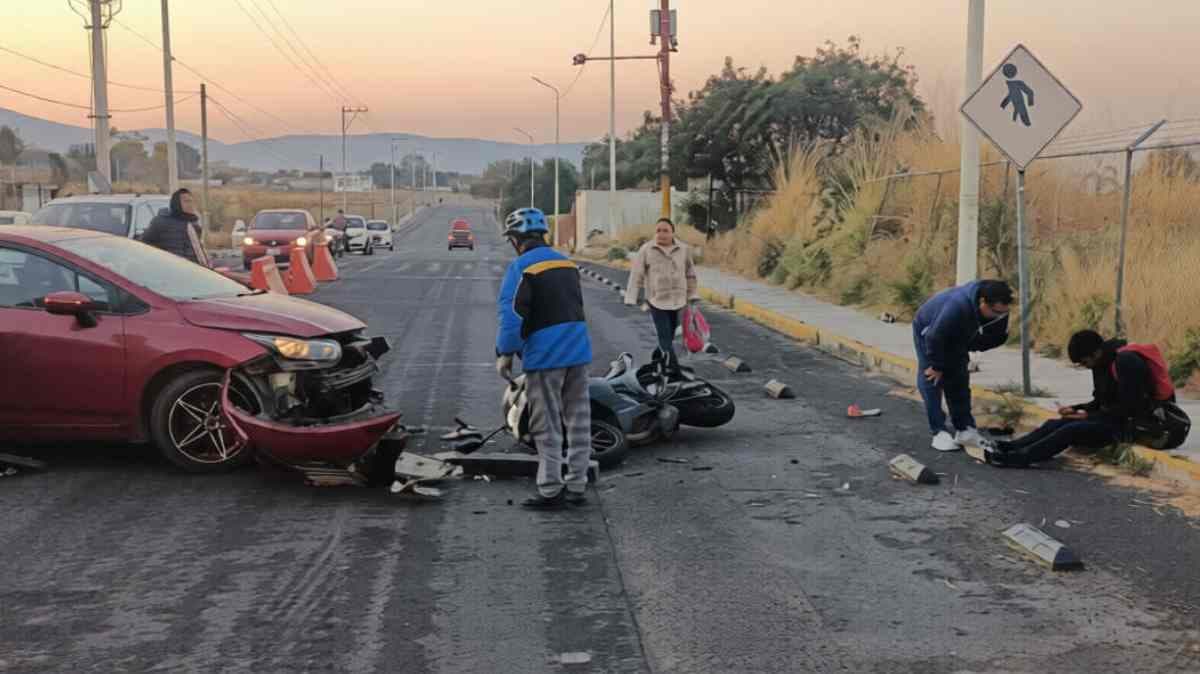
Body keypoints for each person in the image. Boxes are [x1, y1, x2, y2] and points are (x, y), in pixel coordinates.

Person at [496, 207, 594, 509]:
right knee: (578, 421)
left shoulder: (521, 267)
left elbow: (512, 317)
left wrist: (505, 354)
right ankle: (577, 485)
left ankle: (550, 489)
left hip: (545, 356)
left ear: (516, 239)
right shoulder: (567, 263)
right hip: (578, 351)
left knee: (546, 423)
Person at [983, 330, 1186, 467]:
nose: (1085, 366)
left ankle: (1017, 459)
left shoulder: (1126, 362)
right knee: (1058, 422)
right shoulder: (1100, 364)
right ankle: (1011, 447)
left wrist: (1088, 415)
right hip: (1116, 418)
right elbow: (1100, 402)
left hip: (1140, 424)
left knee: (1072, 430)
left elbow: (1132, 408)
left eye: (1084, 361)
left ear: (1096, 352)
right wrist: (1077, 409)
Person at [913, 279, 1013, 452]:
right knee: (932, 378)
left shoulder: (999, 309)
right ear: (983, 302)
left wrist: (993, 340)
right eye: (996, 312)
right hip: (929, 330)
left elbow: (988, 338)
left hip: (957, 333)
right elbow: (935, 337)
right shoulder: (957, 306)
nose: (1000, 316)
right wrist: (937, 366)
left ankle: (965, 430)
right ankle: (938, 432)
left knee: (959, 377)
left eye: (1003, 313)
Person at [623, 218, 700, 377]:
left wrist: (692, 295)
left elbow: (690, 274)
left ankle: (657, 358)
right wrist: (631, 297)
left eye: (665, 230)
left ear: (672, 233)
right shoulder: (647, 249)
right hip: (656, 300)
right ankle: (674, 370)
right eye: (658, 230)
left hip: (678, 300)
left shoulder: (683, 249)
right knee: (664, 336)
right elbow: (636, 274)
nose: (661, 234)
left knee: (669, 336)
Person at [141, 188, 208, 266]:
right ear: (176, 203)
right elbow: (145, 244)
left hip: (193, 269)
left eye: (191, 201)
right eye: (186, 201)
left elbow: (199, 250)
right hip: (172, 269)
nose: (190, 205)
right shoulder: (161, 222)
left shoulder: (193, 223)